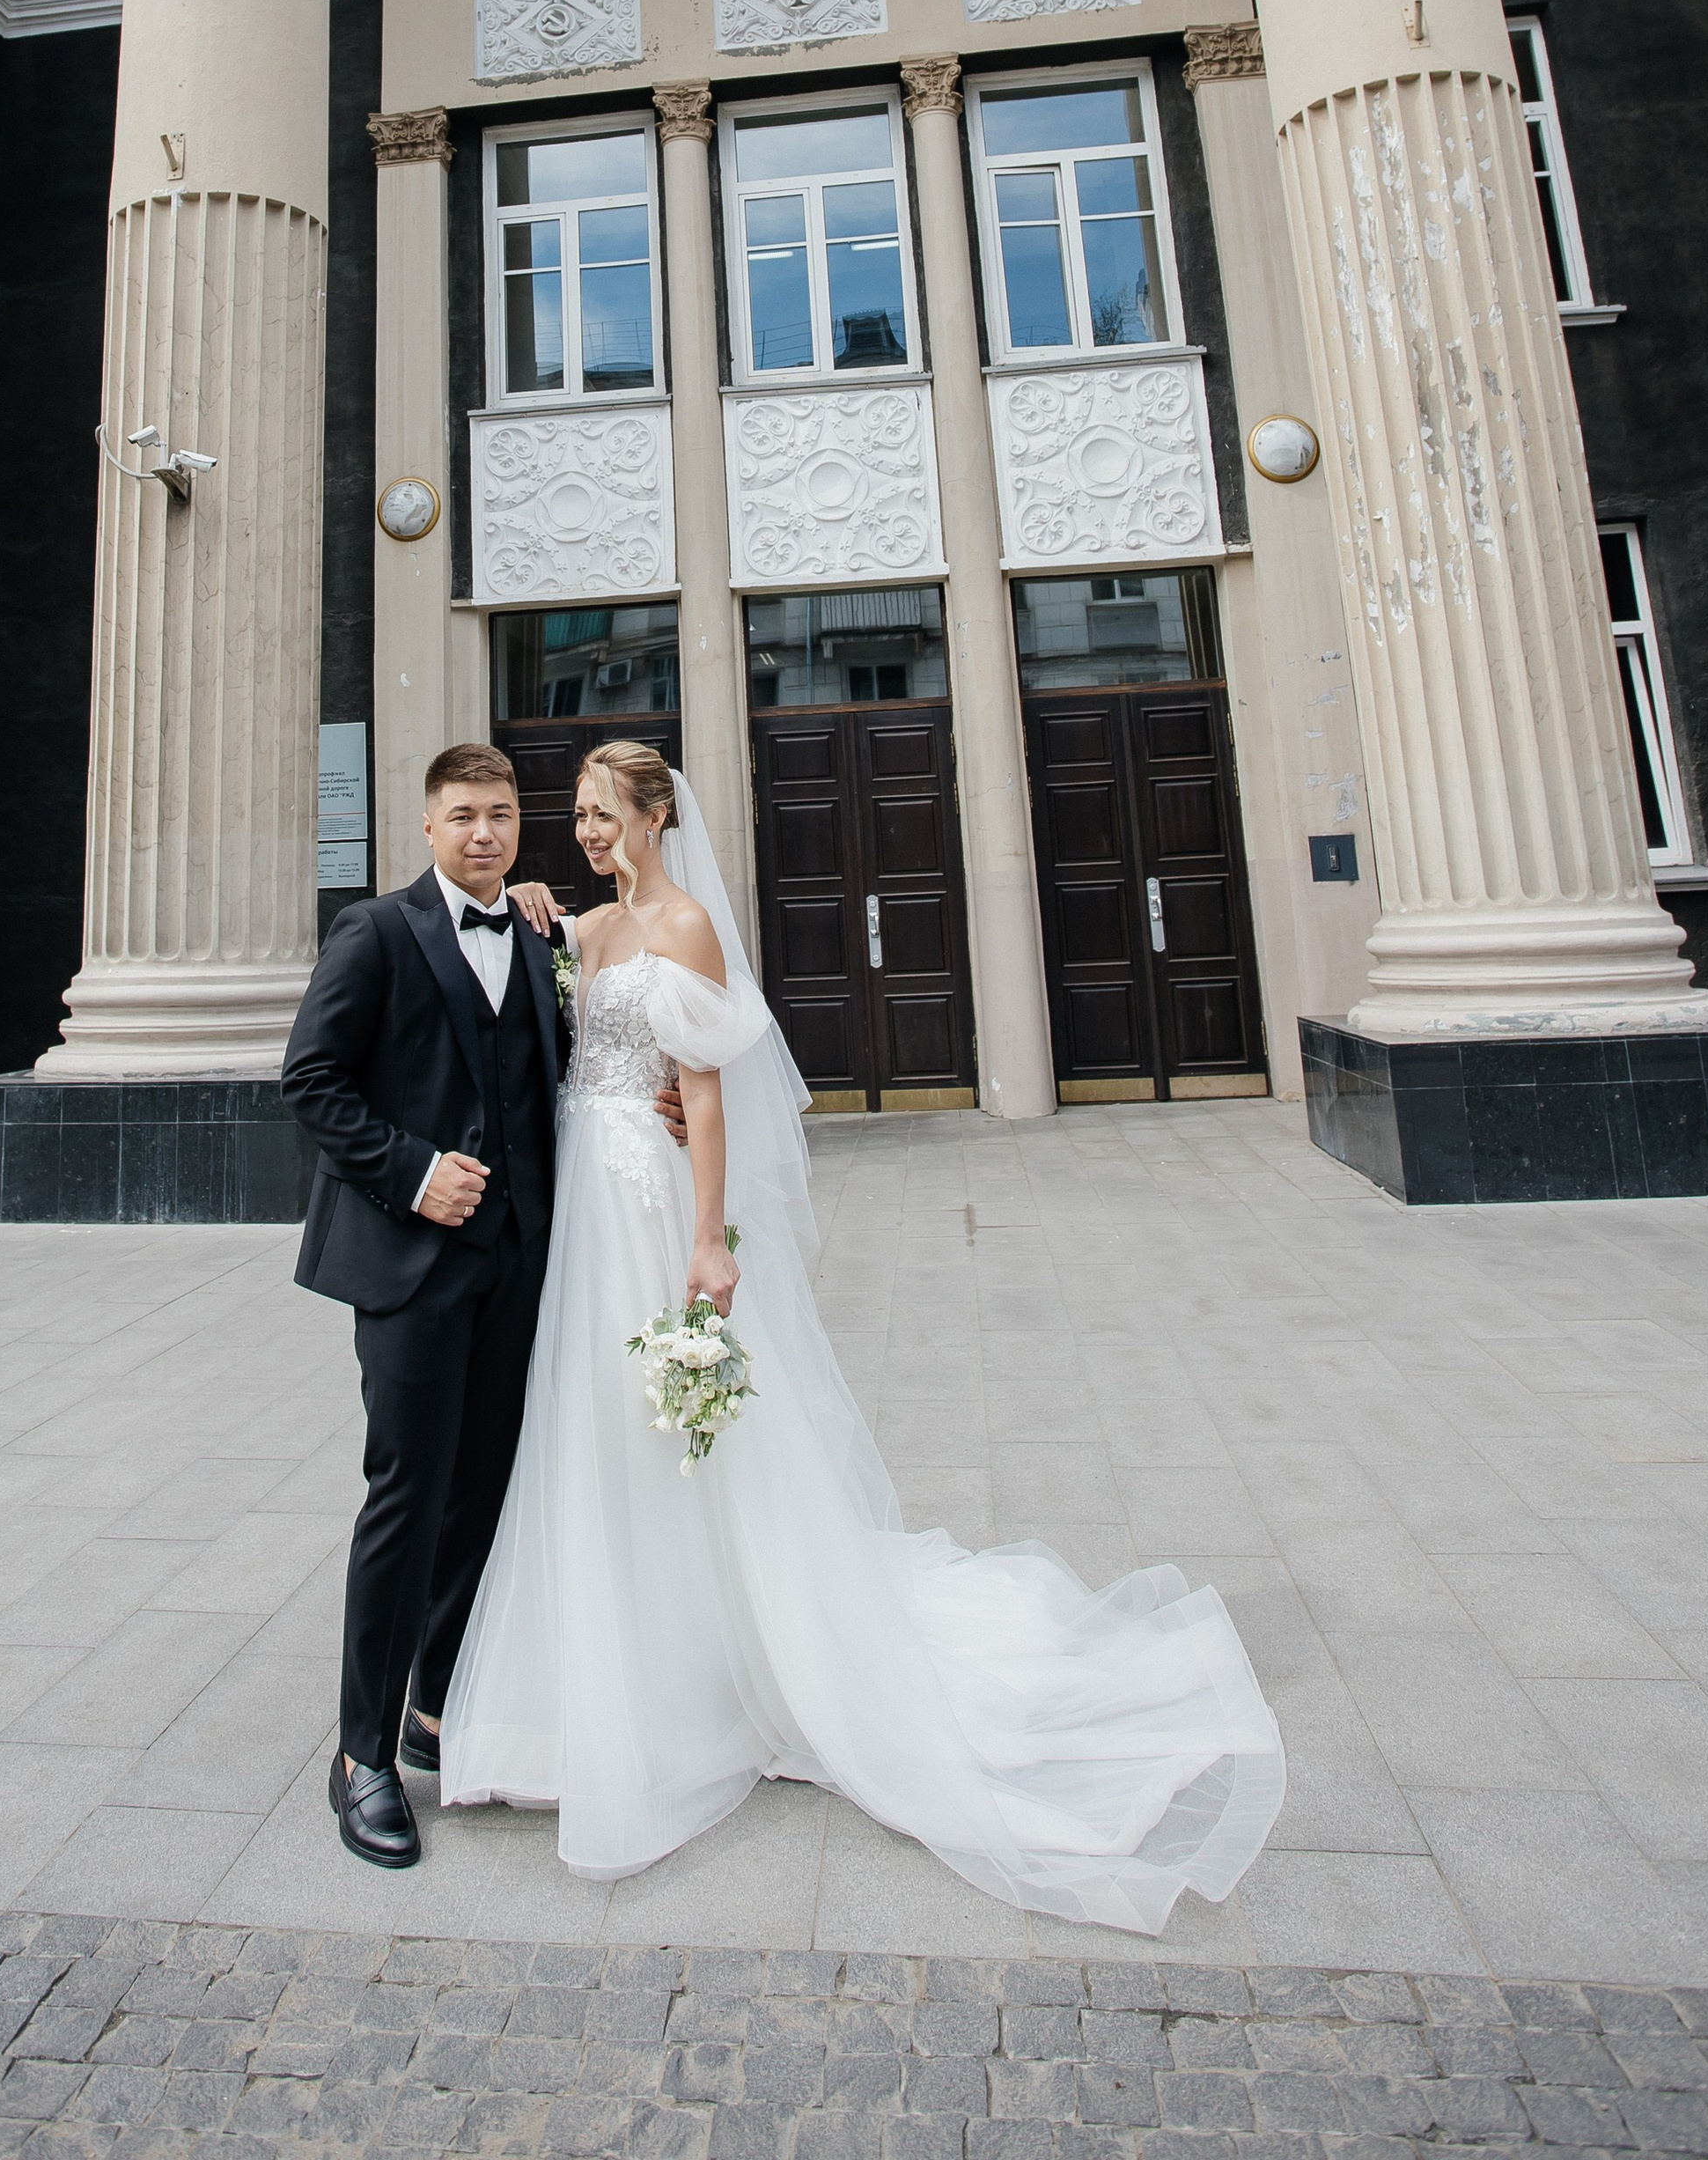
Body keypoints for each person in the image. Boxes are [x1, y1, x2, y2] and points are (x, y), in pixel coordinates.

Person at [442, 741, 1287, 1934]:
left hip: (648, 1205)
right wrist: (530, 900)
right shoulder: (586, 925)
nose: (579, 831)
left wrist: (712, 1241)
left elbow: (714, 1091)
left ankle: (734, 1674)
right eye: (570, 816)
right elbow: (547, 982)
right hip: (585, 1201)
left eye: (598, 813)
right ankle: (609, 1675)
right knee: (596, 1432)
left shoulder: (682, 925)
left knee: (685, 1438)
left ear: (652, 814)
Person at [278, 740, 681, 1869]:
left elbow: (574, 1068)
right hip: (408, 1271)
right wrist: (409, 1169)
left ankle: (434, 1704)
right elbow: (310, 1080)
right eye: (462, 816)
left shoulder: (544, 932)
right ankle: (359, 1757)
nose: (484, 834)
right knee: (406, 1494)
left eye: (500, 814)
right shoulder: (376, 933)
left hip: (522, 1269)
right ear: (427, 825)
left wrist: (670, 1105)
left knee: (487, 1495)